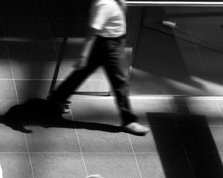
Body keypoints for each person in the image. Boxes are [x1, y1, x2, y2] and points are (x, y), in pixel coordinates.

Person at [47, 0, 149, 136]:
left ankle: (58, 98)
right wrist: (84, 55)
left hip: (109, 42)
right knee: (120, 82)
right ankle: (129, 121)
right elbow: (92, 32)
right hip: (107, 45)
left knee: (82, 72)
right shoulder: (104, 4)